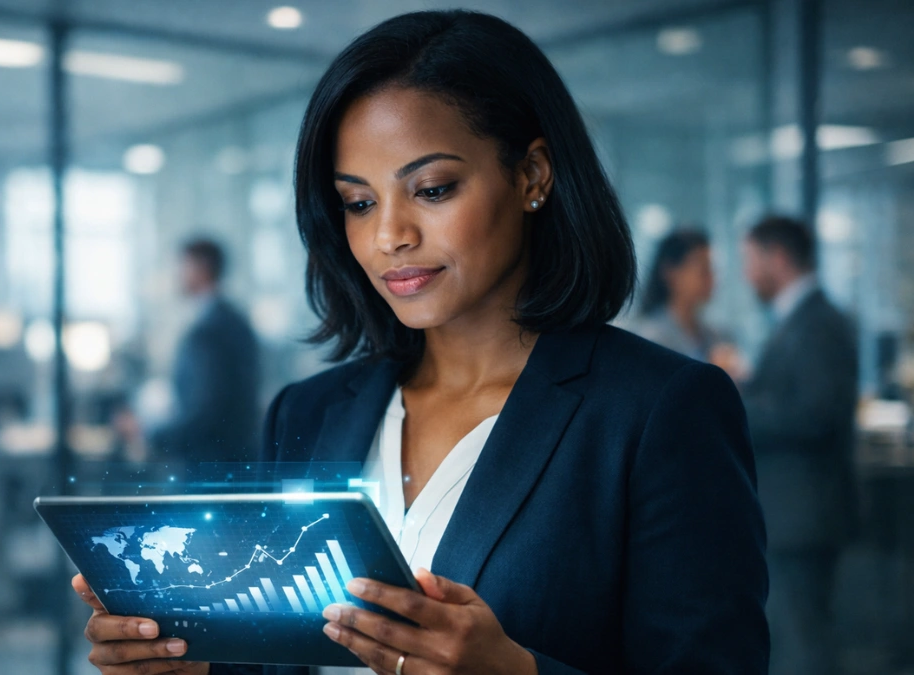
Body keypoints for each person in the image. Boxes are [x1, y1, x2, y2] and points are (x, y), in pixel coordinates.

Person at [74, 10, 768, 675]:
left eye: (432, 189)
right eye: (359, 201)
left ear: (532, 176)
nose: (389, 236)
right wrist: (184, 668)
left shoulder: (657, 411)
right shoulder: (308, 412)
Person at [738, 215, 858, 675]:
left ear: (778, 257)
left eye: (751, 259)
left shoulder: (818, 322)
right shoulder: (802, 319)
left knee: (802, 642)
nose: (747, 273)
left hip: (802, 515)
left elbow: (814, 414)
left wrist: (732, 401)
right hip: (799, 513)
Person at [135, 238, 260, 467]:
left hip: (210, 464)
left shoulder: (210, 331)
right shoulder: (232, 320)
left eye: (181, 266)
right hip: (231, 458)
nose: (176, 275)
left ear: (200, 269)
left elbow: (205, 410)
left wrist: (150, 435)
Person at [633, 228, 724, 361]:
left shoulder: (715, 336)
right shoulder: (650, 338)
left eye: (712, 270)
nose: (711, 279)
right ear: (670, 272)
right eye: (703, 270)